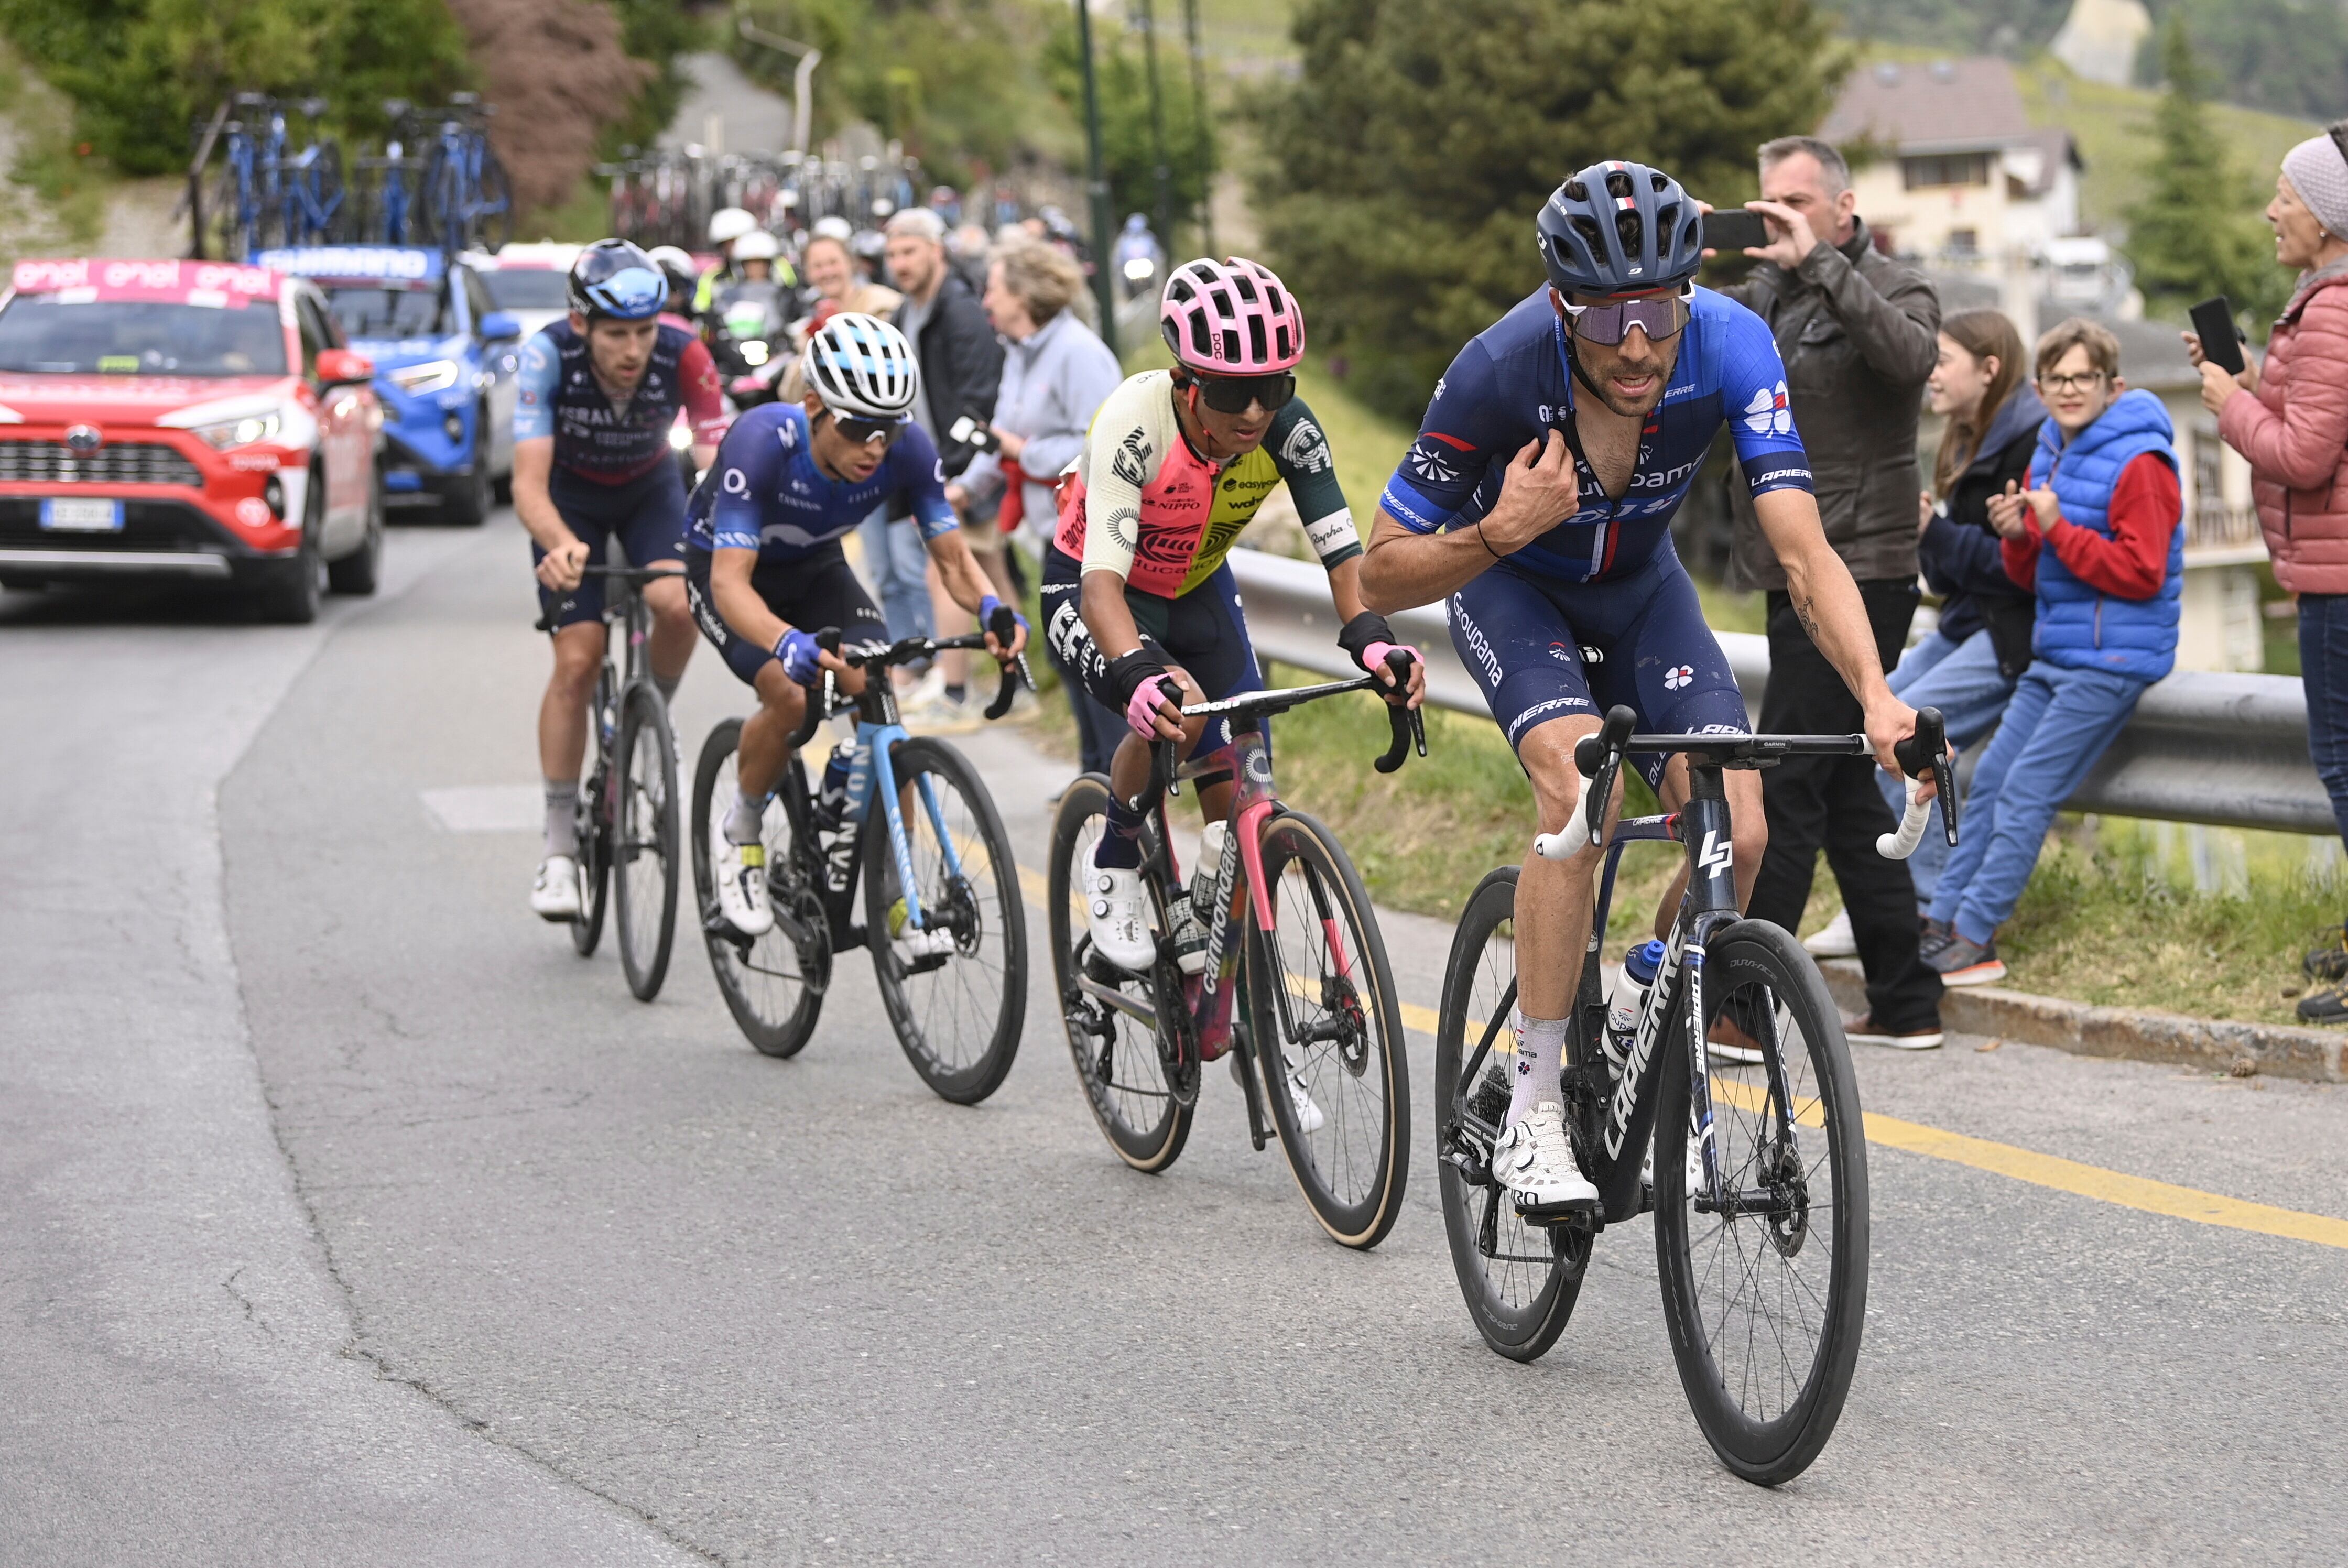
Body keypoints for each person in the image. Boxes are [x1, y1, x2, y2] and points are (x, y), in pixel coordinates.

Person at [1358, 159, 1929, 1215]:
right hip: (1515, 591)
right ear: (1559, 302)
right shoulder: (1498, 367)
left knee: (1740, 831)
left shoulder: (1730, 345)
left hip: (1642, 597)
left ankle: (1636, 994)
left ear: (1687, 292)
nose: (1635, 342)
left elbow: (1802, 551)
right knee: (1586, 798)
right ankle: (1530, 1110)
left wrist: (1874, 697)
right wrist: (1495, 530)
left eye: (1657, 307)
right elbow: (1379, 569)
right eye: (1607, 313)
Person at [1051, 257, 1423, 1071]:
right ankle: (1115, 855)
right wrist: (1141, 675)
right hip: (1101, 590)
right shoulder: (1135, 424)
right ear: (1188, 384)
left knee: (1244, 769)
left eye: (1274, 388)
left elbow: (1342, 555)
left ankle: (1212, 945)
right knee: (1172, 708)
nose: (1254, 411)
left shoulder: (1291, 429)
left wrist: (1373, 639)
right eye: (1230, 393)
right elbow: (1103, 589)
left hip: (1197, 588)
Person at [683, 313, 1026, 946]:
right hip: (729, 575)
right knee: (790, 697)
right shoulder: (761, 441)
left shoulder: (908, 450)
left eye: (888, 427)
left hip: (815, 567)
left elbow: (951, 556)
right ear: (813, 406)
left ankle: (894, 885)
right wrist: (786, 641)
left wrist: (991, 611)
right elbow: (731, 584)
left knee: (880, 694)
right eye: (857, 426)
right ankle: (741, 828)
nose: (874, 445)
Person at [1713, 134, 1946, 1051]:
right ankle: (1906, 997)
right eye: (1765, 203)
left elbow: (1909, 361)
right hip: (1792, 567)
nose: (1779, 219)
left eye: (1796, 204)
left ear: (1844, 211)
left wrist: (1823, 267)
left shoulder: (1894, 285)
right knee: (1848, 786)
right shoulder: (1765, 295)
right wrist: (1678, 252)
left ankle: (1744, 999)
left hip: (1865, 565)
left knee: (1792, 778)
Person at [1928, 318, 2183, 986]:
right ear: (2039, 389)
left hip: (2112, 660)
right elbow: (2027, 575)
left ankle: (1976, 936)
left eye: (2083, 378)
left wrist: (2056, 527)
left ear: (2112, 385)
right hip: (2056, 651)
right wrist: (2017, 535)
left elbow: (2142, 572)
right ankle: (1940, 921)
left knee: (2024, 794)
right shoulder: (2049, 449)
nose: (2069, 390)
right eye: (2056, 379)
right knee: (1984, 783)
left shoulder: (2142, 461)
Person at [1807, 309, 2042, 960]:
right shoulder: (1963, 437)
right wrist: (1927, 534)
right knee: (1870, 720)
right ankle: (1886, 896)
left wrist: (1935, 532)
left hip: (2006, 636)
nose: (1929, 373)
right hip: (1968, 622)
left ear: (1989, 369)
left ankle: (1919, 903)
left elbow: (2016, 571)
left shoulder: (2027, 440)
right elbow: (1947, 571)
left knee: (1908, 739)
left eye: (1943, 360)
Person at [515, 240, 726, 920]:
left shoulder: (684, 352)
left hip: (648, 491)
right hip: (567, 500)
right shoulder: (547, 356)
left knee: (678, 604)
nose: (634, 351)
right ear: (582, 324)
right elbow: (526, 483)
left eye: (644, 332)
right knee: (576, 661)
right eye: (616, 335)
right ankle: (557, 852)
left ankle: (648, 717)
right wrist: (559, 545)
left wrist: (721, 535)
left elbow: (720, 461)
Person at [2191, 123, 2348, 1020]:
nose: (2271, 210)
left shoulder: (2332, 307)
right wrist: (2248, 375)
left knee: (2344, 770)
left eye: (2285, 197)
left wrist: (2232, 404)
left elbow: (2305, 456)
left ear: (2326, 219)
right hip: (2330, 573)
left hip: (2338, 583)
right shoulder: (2321, 299)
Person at [949, 238, 1125, 771]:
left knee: (1095, 661)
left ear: (1024, 294)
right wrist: (959, 491)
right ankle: (1091, 776)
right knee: (1067, 656)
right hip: (1056, 533)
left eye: (994, 289)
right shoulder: (1020, 352)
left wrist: (1026, 453)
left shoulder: (1079, 352)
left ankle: (1119, 784)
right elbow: (999, 437)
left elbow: (1104, 442)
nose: (985, 302)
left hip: (1096, 534)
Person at [883, 206, 1008, 726]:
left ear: (936, 251)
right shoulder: (906, 312)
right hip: (931, 464)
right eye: (891, 254)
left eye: (909, 251)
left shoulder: (957, 309)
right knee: (989, 569)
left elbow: (981, 392)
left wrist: (959, 467)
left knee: (945, 567)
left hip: (960, 467)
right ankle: (1014, 678)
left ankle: (954, 691)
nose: (899, 263)